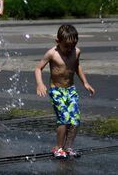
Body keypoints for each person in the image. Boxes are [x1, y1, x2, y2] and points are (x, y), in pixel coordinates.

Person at [35, 24, 95, 159]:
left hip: (71, 90)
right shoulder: (52, 53)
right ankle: (58, 148)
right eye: (66, 46)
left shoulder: (76, 52)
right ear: (58, 41)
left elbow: (77, 65)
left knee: (75, 120)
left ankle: (68, 147)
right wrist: (40, 84)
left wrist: (85, 82)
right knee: (64, 119)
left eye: (73, 46)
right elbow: (38, 68)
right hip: (56, 91)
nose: (69, 49)